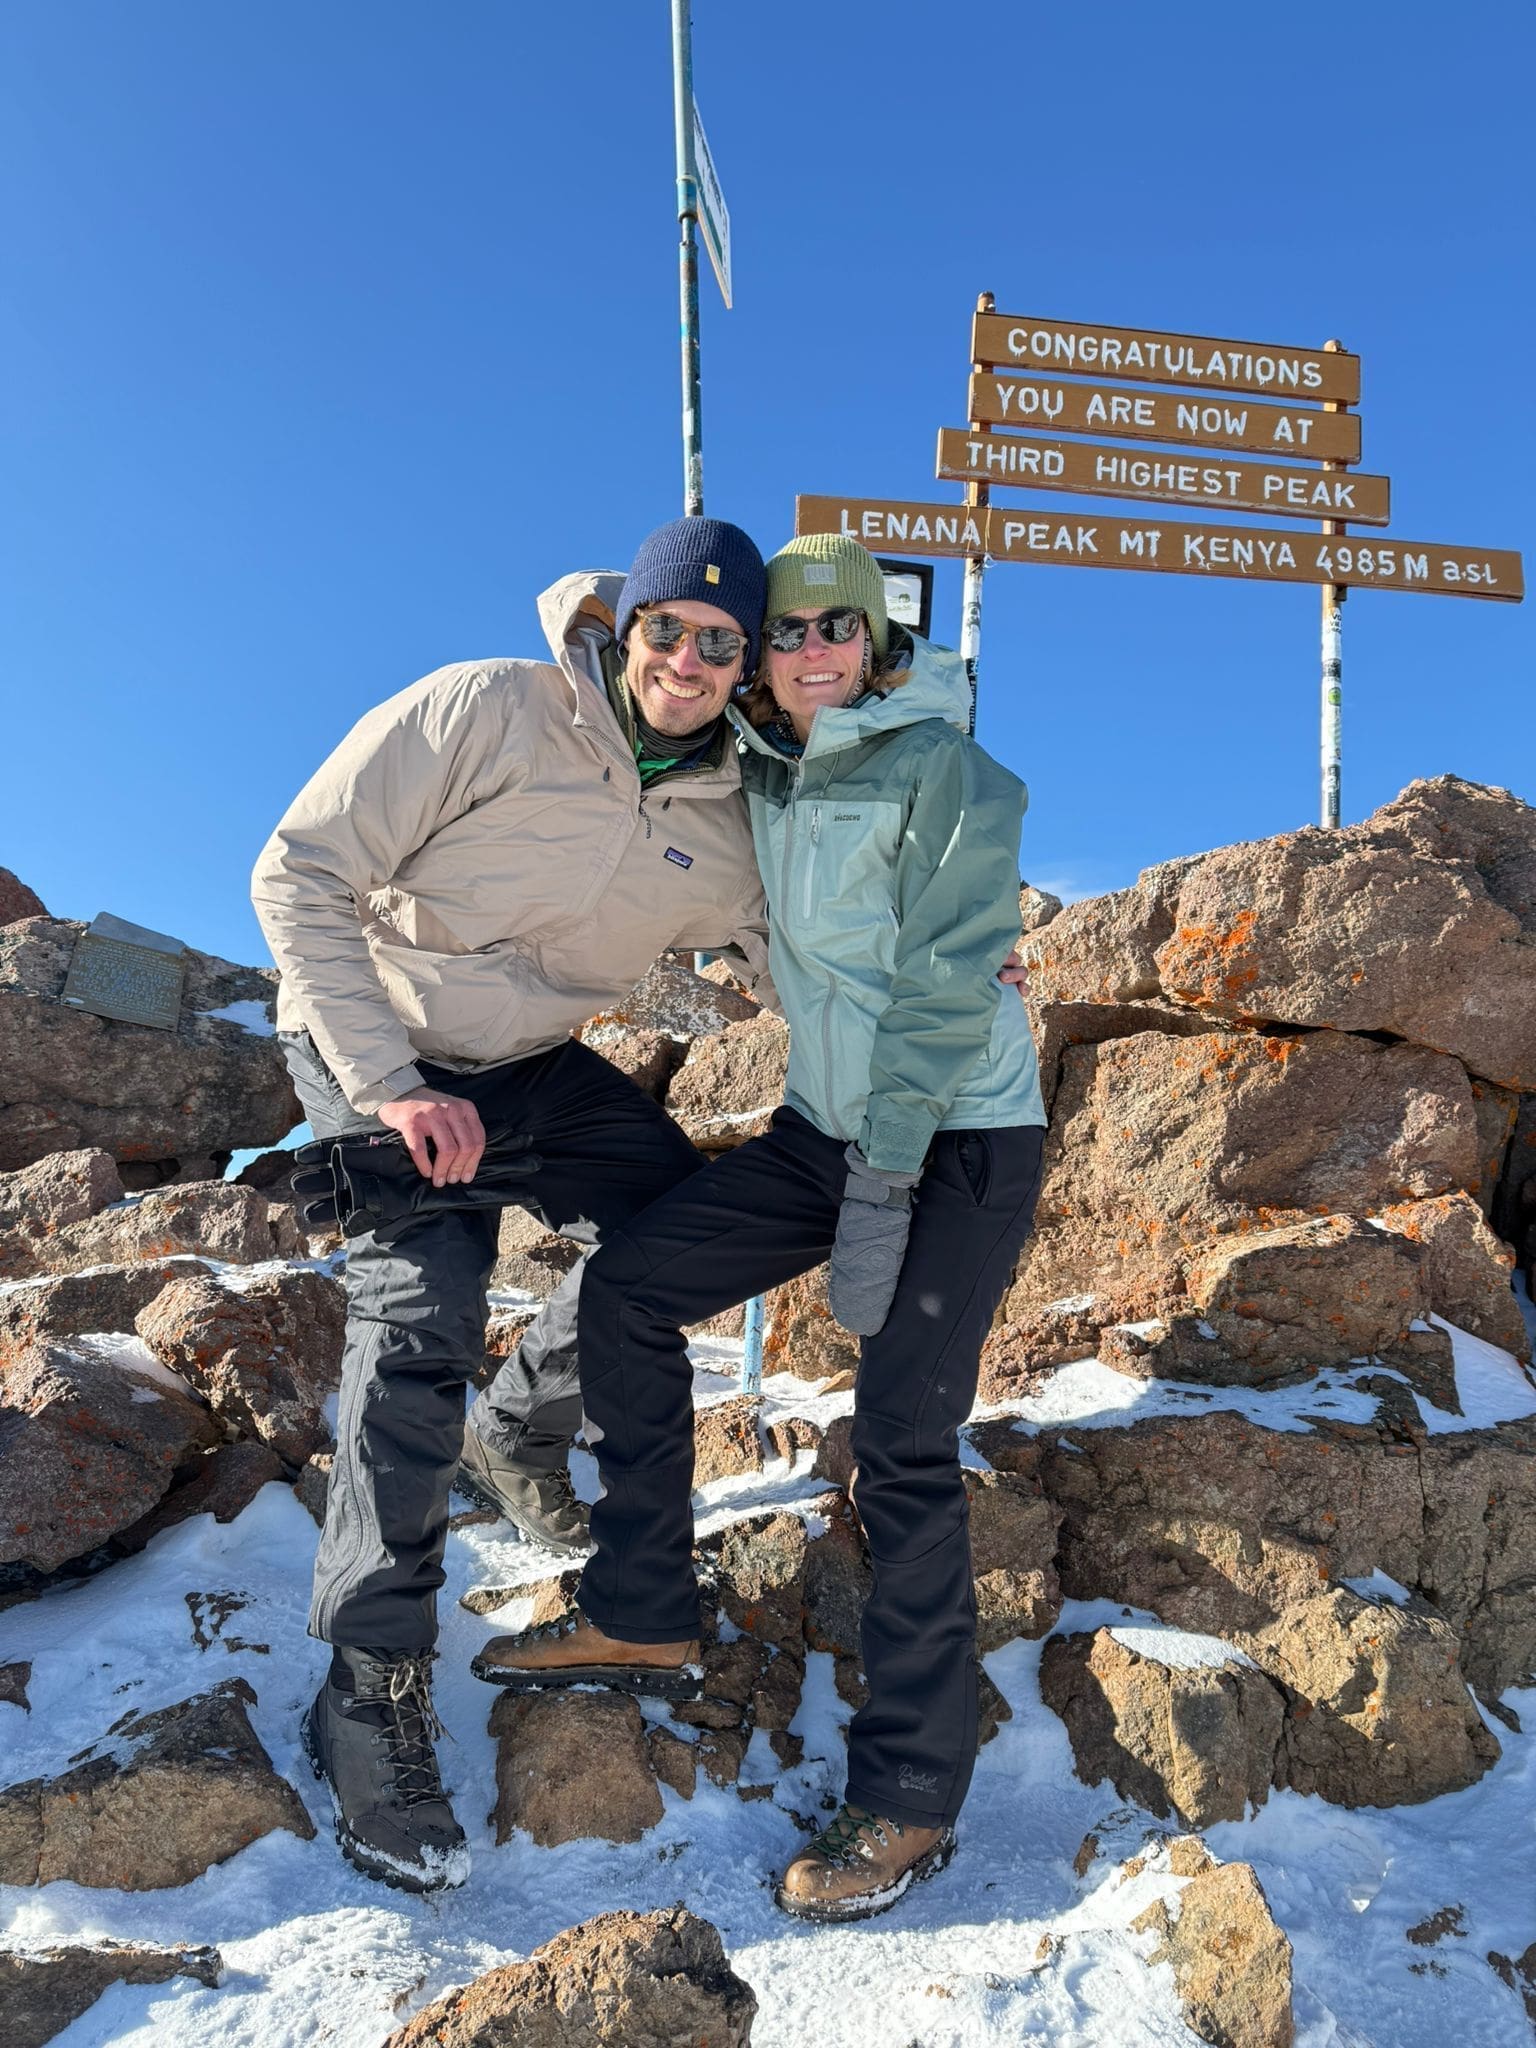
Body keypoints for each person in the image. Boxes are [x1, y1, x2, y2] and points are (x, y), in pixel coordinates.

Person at [475, 533, 1048, 1923]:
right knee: (627, 1290)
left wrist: (890, 1177)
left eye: (835, 630)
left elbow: (948, 978)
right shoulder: (765, 770)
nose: (809, 655)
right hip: (826, 1129)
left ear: (878, 641)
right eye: (782, 636)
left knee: (901, 1443)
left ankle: (908, 1798)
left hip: (955, 1137)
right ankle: (642, 1599)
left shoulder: (952, 774)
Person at [250, 517, 776, 1892]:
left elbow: (806, 963)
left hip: (536, 1071)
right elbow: (296, 872)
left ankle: (521, 1433)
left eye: (722, 643)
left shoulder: (729, 819)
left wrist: (961, 980)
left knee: (684, 1235)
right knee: (422, 1318)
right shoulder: (488, 705)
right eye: (668, 627)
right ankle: (368, 1683)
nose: (687, 658)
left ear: (747, 664)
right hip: (382, 1039)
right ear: (627, 622)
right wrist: (388, 1090)